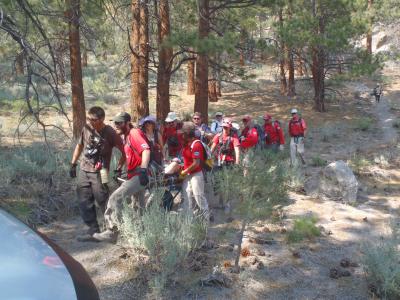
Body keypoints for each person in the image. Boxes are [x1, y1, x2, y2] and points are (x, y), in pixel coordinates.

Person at [93, 112, 151, 243]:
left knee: (115, 198)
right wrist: (119, 167)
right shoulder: (126, 137)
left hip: (138, 175)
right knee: (138, 207)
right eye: (115, 123)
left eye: (119, 123)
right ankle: (142, 237)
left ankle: (112, 231)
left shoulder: (134, 133)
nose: (116, 125)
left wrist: (143, 170)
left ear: (127, 123)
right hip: (134, 174)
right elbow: (126, 155)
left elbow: (146, 150)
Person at [69, 106, 125, 241]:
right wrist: (73, 163)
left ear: (102, 119)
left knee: (103, 199)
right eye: (89, 118)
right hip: (84, 168)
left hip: (102, 171)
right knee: (84, 200)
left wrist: (118, 168)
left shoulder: (110, 133)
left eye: (93, 119)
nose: (90, 121)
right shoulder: (87, 128)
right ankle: (92, 231)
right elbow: (80, 145)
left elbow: (125, 151)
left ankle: (112, 230)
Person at [180, 122, 210, 221]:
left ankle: (207, 217)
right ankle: (189, 220)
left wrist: (185, 171)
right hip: (188, 173)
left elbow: (196, 163)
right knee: (187, 196)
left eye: (183, 133)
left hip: (196, 174)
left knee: (198, 196)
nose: (182, 135)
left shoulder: (196, 145)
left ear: (187, 134)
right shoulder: (186, 143)